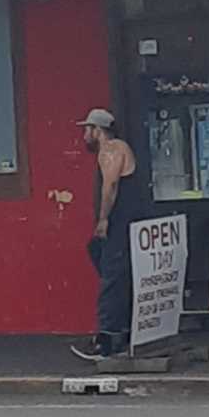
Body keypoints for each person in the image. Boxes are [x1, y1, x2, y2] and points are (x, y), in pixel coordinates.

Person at [70, 108, 139, 361]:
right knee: (109, 267)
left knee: (111, 277)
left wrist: (103, 219)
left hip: (118, 224)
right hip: (126, 224)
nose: (84, 136)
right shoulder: (119, 148)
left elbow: (110, 185)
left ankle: (107, 339)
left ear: (97, 130)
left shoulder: (110, 150)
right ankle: (123, 331)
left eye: (87, 130)